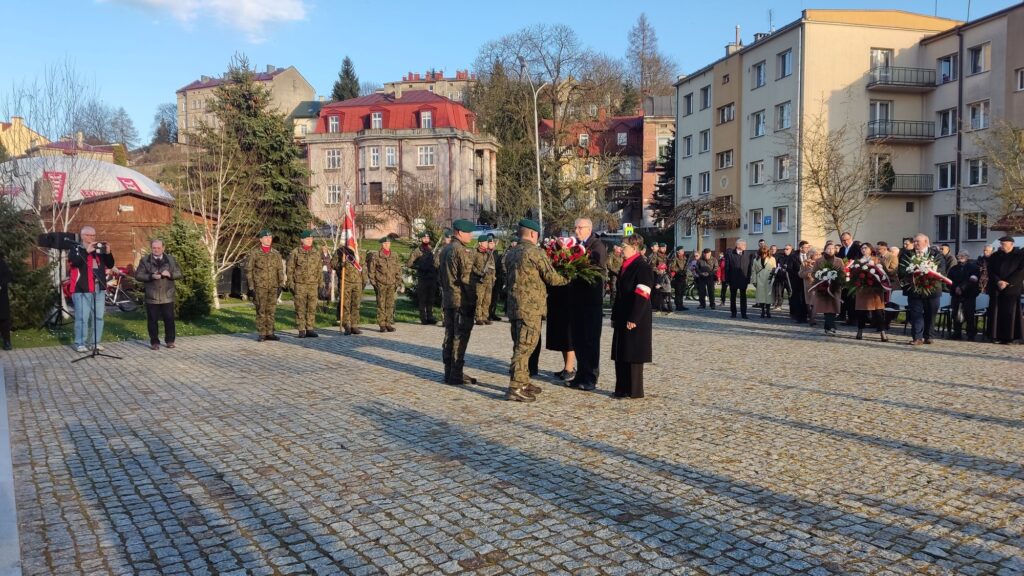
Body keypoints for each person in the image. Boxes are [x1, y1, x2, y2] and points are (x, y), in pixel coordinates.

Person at [504, 219, 569, 402]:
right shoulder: (534, 252)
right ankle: (515, 387)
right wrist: (569, 277)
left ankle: (523, 380)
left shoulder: (512, 252)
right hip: (530, 308)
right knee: (525, 347)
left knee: (520, 344)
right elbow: (551, 277)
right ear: (533, 234)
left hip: (514, 306)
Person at [611, 234, 654, 399]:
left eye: (624, 246)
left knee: (633, 352)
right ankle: (621, 388)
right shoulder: (625, 265)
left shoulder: (642, 267)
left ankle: (634, 390)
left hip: (636, 315)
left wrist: (634, 318)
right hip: (622, 313)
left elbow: (643, 293)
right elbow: (619, 293)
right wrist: (614, 315)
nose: (621, 249)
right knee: (621, 351)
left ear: (634, 248)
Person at [568, 218, 608, 391]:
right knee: (578, 339)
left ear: (589, 229)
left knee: (590, 340)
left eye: (580, 227)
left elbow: (597, 268)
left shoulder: (597, 245)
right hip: (576, 300)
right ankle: (580, 375)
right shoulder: (575, 245)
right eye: (575, 227)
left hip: (590, 301)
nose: (576, 230)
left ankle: (591, 377)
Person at [439, 219, 479, 385]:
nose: (471, 236)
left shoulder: (445, 249)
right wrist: (473, 299)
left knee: (449, 336)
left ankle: (449, 372)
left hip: (448, 298)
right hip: (461, 300)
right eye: (468, 233)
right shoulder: (460, 251)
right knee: (459, 338)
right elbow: (466, 279)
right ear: (460, 232)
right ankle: (456, 374)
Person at [68, 225, 115, 352]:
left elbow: (110, 264)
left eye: (93, 235)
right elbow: (74, 263)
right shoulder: (76, 248)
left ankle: (95, 342)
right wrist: (86, 251)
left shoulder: (98, 250)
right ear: (82, 236)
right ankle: (80, 343)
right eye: (89, 235)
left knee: (98, 317)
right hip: (82, 288)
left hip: (98, 288)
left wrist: (108, 252)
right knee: (82, 317)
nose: (92, 238)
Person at [898, 233, 948, 345]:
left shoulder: (936, 254)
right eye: (914, 241)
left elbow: (942, 270)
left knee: (931, 313)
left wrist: (929, 272)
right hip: (914, 290)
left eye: (918, 241)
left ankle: (928, 336)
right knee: (916, 314)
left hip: (932, 289)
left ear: (926, 242)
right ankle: (917, 337)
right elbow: (901, 270)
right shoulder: (907, 254)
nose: (915, 243)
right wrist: (912, 272)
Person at [134, 239, 183, 350]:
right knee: (152, 320)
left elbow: (179, 273)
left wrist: (170, 274)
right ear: (151, 248)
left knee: (169, 319)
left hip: (167, 295)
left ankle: (170, 341)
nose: (156, 250)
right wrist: (151, 276)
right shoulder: (145, 260)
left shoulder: (170, 259)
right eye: (154, 248)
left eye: (158, 248)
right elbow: (138, 275)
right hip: (152, 295)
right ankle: (154, 342)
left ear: (163, 248)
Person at [245, 230, 286, 342]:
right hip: (260, 287)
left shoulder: (276, 254)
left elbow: (280, 270)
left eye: (270, 237)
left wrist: (281, 285)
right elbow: (249, 270)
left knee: (271, 310)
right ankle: (262, 333)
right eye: (266, 237)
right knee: (261, 310)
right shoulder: (254, 253)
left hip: (273, 286)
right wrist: (251, 287)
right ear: (261, 239)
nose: (269, 239)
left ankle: (270, 332)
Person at [287, 230, 325, 338]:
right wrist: (290, 283)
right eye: (308, 239)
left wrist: (321, 284)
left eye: (311, 238)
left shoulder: (316, 252)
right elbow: (290, 269)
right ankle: (301, 329)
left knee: (312, 307)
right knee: (300, 307)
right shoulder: (295, 252)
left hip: (313, 285)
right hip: (300, 285)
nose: (310, 240)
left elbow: (319, 269)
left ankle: (310, 328)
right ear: (302, 240)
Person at [986, 236, 1024, 344]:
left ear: (1011, 244)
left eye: (1004, 244)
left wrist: (1008, 282)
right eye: (1001, 244)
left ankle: (1010, 337)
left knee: (1010, 313)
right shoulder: (995, 256)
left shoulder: (1020, 255)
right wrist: (998, 281)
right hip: (997, 288)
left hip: (1012, 289)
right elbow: (990, 270)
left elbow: (1021, 271)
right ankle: (995, 336)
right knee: (996, 312)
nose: (1002, 246)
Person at [852, 243, 889, 342]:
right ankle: (860, 331)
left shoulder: (877, 260)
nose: (863, 249)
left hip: (875, 290)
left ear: (871, 249)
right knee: (861, 312)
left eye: (865, 248)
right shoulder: (857, 261)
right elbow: (853, 275)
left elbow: (883, 274)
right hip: (862, 290)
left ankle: (882, 332)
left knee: (878, 312)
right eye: (862, 248)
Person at [368, 237, 402, 332]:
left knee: (390, 304)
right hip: (381, 284)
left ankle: (388, 323)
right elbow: (371, 270)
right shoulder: (376, 256)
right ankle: (382, 324)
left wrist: (398, 281)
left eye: (389, 243)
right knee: (381, 304)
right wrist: (374, 283)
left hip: (392, 284)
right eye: (385, 243)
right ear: (382, 244)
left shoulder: (394, 255)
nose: (387, 245)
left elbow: (398, 269)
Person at [947, 250, 981, 341]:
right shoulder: (953, 268)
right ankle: (957, 333)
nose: (961, 257)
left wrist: (961, 288)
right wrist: (956, 288)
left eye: (964, 255)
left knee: (969, 315)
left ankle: (970, 334)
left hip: (969, 295)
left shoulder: (974, 267)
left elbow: (973, 280)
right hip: (956, 295)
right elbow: (949, 281)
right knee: (956, 315)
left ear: (968, 257)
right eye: (959, 255)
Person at [331, 246, 364, 335]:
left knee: (356, 304)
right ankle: (347, 325)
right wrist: (342, 264)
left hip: (357, 282)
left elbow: (362, 266)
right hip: (345, 282)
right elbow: (333, 264)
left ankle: (354, 325)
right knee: (345, 304)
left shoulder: (358, 250)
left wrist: (363, 281)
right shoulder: (340, 251)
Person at [407, 232, 438, 325]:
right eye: (424, 238)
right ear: (421, 239)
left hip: (432, 277)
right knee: (423, 299)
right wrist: (419, 266)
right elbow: (409, 263)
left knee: (431, 298)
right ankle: (423, 318)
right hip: (423, 278)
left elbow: (436, 262)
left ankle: (430, 317)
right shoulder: (417, 251)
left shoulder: (432, 249)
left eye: (427, 238)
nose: (426, 239)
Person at [812, 242, 843, 335]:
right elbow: (814, 273)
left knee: (833, 306)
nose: (830, 250)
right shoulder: (819, 261)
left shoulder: (839, 260)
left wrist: (838, 278)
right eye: (828, 248)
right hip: (823, 287)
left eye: (832, 248)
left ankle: (829, 326)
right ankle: (830, 326)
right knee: (827, 307)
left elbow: (843, 272)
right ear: (825, 250)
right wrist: (821, 276)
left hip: (835, 286)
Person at [724, 240, 753, 319]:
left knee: (743, 297)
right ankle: (733, 312)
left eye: (745, 244)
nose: (745, 246)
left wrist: (748, 278)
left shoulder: (748, 255)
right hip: (733, 279)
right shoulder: (730, 255)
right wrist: (727, 280)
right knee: (733, 297)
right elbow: (727, 268)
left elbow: (749, 268)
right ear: (737, 245)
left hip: (743, 279)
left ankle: (744, 313)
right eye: (743, 244)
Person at [836, 232, 861, 325]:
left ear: (851, 238)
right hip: (844, 276)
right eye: (843, 240)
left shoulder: (857, 248)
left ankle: (853, 319)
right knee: (845, 297)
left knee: (852, 298)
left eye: (847, 239)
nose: (845, 242)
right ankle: (845, 316)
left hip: (854, 276)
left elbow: (857, 260)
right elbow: (838, 260)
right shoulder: (842, 249)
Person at [473, 234, 496, 325]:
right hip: (479, 280)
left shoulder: (489, 253)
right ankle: (478, 317)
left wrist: (493, 277)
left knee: (487, 299)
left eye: (487, 242)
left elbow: (492, 266)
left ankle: (485, 316)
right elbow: (471, 266)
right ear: (480, 243)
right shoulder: (475, 252)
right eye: (485, 242)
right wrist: (479, 273)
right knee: (479, 299)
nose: (487, 243)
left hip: (489, 280)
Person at [786, 241, 809, 323]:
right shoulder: (793, 256)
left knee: (805, 299)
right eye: (806, 247)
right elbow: (789, 269)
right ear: (801, 248)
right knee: (798, 299)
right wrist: (799, 274)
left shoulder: (809, 255)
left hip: (807, 281)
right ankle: (798, 317)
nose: (808, 249)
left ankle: (805, 316)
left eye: (808, 247)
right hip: (796, 281)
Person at [751, 244, 776, 318]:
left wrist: (773, 280)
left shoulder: (772, 259)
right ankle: (762, 311)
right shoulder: (756, 260)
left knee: (768, 296)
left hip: (769, 279)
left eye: (765, 253)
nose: (764, 255)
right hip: (760, 279)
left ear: (768, 252)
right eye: (762, 253)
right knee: (761, 296)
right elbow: (753, 271)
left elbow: (774, 270)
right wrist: (754, 281)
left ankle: (768, 311)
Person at [801, 247, 820, 326]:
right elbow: (800, 274)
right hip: (808, 285)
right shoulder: (805, 263)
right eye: (816, 254)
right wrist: (807, 274)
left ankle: (812, 318)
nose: (818, 256)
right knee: (809, 302)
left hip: (817, 284)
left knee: (815, 301)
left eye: (819, 254)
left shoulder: (820, 263)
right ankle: (811, 317)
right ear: (811, 255)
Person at [490, 239, 505, 322]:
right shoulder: (486, 253)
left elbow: (499, 266)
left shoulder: (497, 254)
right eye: (491, 243)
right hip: (488, 278)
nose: (493, 244)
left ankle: (492, 313)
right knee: (487, 297)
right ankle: (486, 314)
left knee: (495, 297)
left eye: (493, 243)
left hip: (497, 277)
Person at [669, 247, 689, 311]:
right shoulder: (675, 259)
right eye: (681, 250)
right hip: (677, 276)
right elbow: (671, 267)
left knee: (682, 291)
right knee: (678, 292)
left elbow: (686, 266)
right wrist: (678, 271)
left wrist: (685, 271)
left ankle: (681, 305)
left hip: (683, 276)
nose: (683, 251)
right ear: (678, 252)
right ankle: (678, 305)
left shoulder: (685, 258)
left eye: (683, 250)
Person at [0, 255, 12, 351]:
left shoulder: (1, 263)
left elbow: (8, 275)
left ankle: (7, 341)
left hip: (1, 296)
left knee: (4, 319)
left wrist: (1, 285)